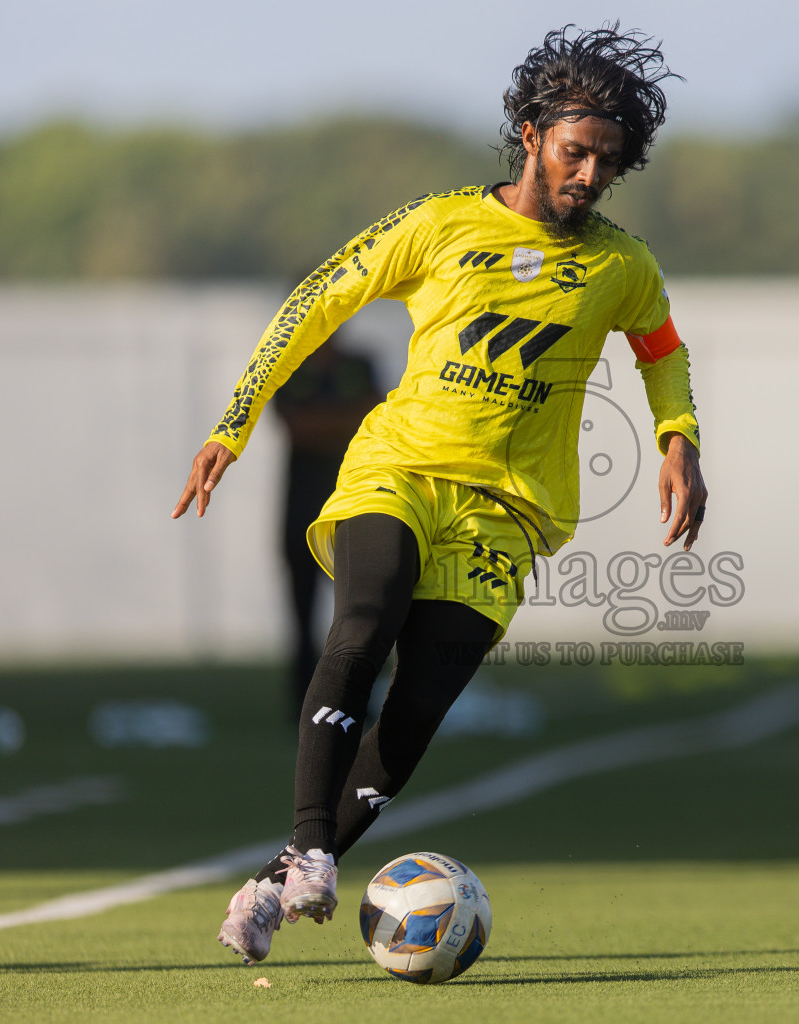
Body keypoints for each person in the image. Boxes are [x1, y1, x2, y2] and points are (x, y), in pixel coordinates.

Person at [170, 24, 708, 965]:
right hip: (400, 470)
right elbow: (315, 305)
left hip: (508, 511)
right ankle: (309, 848)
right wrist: (232, 424)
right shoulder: (440, 222)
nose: (589, 176)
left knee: (414, 714)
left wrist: (681, 442)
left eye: (609, 164)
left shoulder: (624, 266)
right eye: (576, 152)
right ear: (534, 133)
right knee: (363, 626)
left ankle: (277, 877)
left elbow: (664, 356)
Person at [270, 326, 383, 722]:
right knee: (302, 614)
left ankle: (356, 699)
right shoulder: (288, 369)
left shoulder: (358, 364)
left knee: (361, 612)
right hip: (301, 510)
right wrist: (344, 423)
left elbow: (375, 414)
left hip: (353, 506)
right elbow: (295, 427)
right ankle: (302, 704)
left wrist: (325, 423)